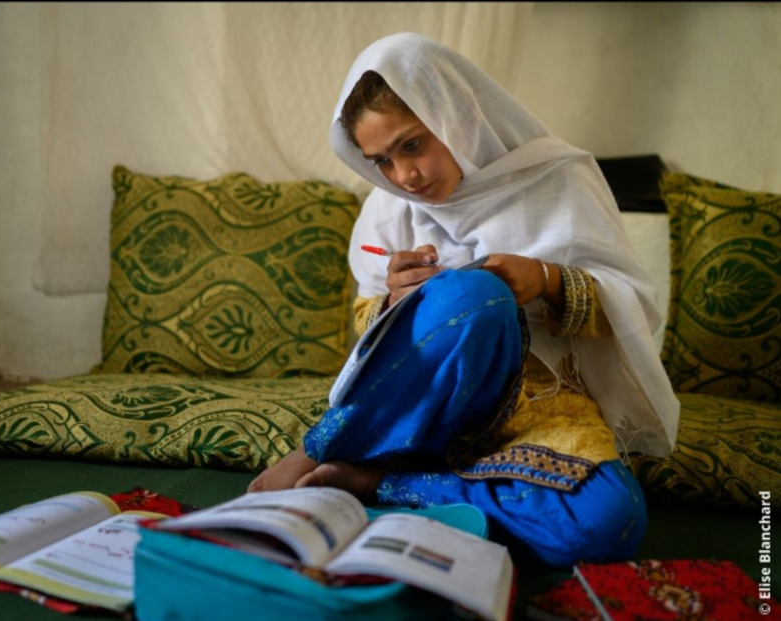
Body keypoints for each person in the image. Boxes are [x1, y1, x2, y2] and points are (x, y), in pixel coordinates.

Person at [248, 32, 679, 567]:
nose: (404, 176)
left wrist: (545, 278)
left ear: (455, 115)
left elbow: (632, 309)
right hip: (428, 409)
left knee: (609, 522)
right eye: (380, 161)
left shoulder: (558, 178)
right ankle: (323, 448)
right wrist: (392, 304)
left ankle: (382, 482)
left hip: (540, 408)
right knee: (472, 294)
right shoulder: (390, 209)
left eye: (412, 144)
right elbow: (367, 332)